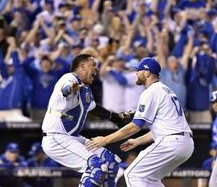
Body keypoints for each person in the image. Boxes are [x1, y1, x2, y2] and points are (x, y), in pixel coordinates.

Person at [87, 57, 194, 187]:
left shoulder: (151, 91)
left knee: (132, 174)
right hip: (185, 144)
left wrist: (105, 140)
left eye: (138, 70)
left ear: (147, 73)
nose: (136, 73)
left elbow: (135, 126)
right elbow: (163, 129)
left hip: (171, 143)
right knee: (150, 179)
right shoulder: (165, 90)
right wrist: (137, 141)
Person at [41, 54, 132, 187]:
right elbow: (65, 89)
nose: (96, 69)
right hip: (56, 137)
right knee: (96, 166)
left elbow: (94, 108)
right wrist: (70, 87)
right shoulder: (69, 78)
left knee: (110, 162)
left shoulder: (85, 89)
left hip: (71, 137)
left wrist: (116, 117)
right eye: (93, 65)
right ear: (83, 67)